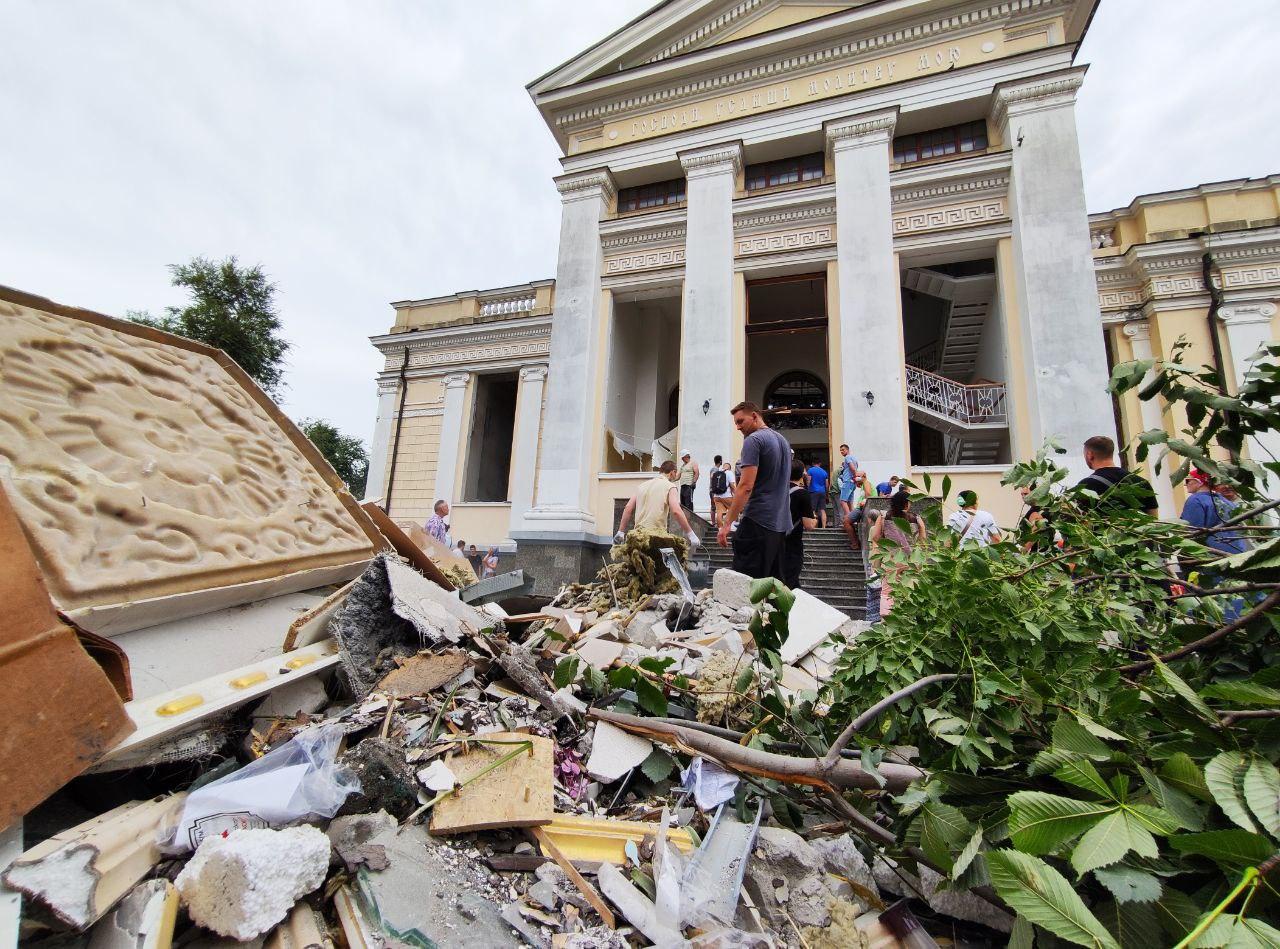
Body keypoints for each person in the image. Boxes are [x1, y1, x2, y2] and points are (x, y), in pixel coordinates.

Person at [716, 401, 793, 581]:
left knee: (745, 586)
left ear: (754, 416)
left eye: (740, 421)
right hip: (780, 525)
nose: (737, 427)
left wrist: (727, 524)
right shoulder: (783, 441)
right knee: (772, 587)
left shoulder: (753, 440)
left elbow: (745, 486)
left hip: (758, 520)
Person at [615, 460, 701, 548]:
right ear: (672, 472)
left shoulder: (641, 486)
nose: (676, 476)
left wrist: (620, 532)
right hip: (656, 537)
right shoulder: (670, 486)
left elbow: (628, 507)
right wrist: (691, 535)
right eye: (675, 473)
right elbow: (676, 511)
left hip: (637, 537)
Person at [869, 489, 926, 617]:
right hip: (911, 561)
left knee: (887, 592)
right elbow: (923, 543)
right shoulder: (916, 518)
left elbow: (876, 537)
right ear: (906, 503)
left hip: (891, 560)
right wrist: (922, 528)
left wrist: (888, 544)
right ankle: (907, 618)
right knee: (910, 589)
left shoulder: (884, 516)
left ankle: (886, 619)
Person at [1076, 435, 1158, 516]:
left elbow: (1080, 520)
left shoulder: (1085, 486)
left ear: (1089, 455)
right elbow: (1154, 520)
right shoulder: (1142, 483)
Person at [784, 458, 818, 588]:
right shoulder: (802, 493)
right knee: (791, 582)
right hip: (792, 544)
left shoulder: (776, 491)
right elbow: (809, 525)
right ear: (801, 474)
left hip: (773, 541)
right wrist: (815, 519)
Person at [843, 470, 874, 550]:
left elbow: (868, 495)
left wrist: (863, 502)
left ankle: (855, 544)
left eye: (858, 476)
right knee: (846, 519)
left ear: (864, 476)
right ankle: (856, 542)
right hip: (861, 508)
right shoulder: (864, 483)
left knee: (846, 521)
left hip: (861, 509)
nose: (856, 478)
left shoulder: (866, 483)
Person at [709, 456, 736, 528]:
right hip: (727, 496)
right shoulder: (729, 473)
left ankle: (720, 528)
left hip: (716, 496)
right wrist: (736, 494)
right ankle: (732, 526)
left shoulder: (717, 472)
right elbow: (732, 485)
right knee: (733, 509)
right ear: (729, 468)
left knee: (719, 512)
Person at [835, 444, 858, 522]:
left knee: (843, 501)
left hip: (848, 481)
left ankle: (849, 519)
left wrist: (854, 476)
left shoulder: (847, 457)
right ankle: (854, 520)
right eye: (840, 450)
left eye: (843, 450)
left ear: (847, 450)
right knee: (850, 503)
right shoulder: (854, 458)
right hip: (852, 483)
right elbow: (853, 468)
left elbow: (852, 468)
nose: (841, 451)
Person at [806, 460, 829, 528]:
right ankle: (824, 527)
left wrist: (807, 489)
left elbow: (808, 481)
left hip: (813, 491)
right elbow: (827, 485)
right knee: (822, 510)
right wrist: (826, 493)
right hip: (822, 492)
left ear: (813, 463)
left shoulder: (810, 470)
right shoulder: (824, 472)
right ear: (820, 463)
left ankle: (813, 526)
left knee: (812, 510)